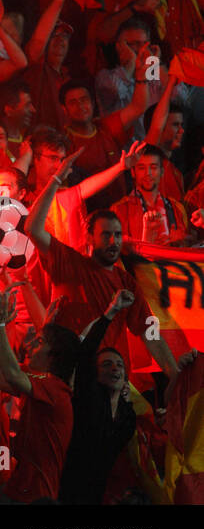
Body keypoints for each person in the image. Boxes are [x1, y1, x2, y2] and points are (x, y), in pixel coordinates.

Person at [27, 152, 179, 379]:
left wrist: (174, 373)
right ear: (89, 238)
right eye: (106, 234)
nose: (113, 241)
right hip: (67, 376)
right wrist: (57, 180)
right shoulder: (69, 263)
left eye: (117, 235)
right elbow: (32, 228)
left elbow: (150, 331)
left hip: (107, 381)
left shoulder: (125, 282)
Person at [0, 290, 81, 502]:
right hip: (19, 487)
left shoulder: (56, 389)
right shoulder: (38, 379)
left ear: (54, 354)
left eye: (39, 342)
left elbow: (10, 373)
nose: (29, 346)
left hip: (38, 496)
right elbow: (1, 378)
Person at [58, 289, 139, 504]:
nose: (115, 369)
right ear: (95, 373)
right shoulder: (87, 398)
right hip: (66, 494)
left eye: (119, 365)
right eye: (107, 364)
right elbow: (85, 354)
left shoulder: (128, 416)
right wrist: (111, 312)